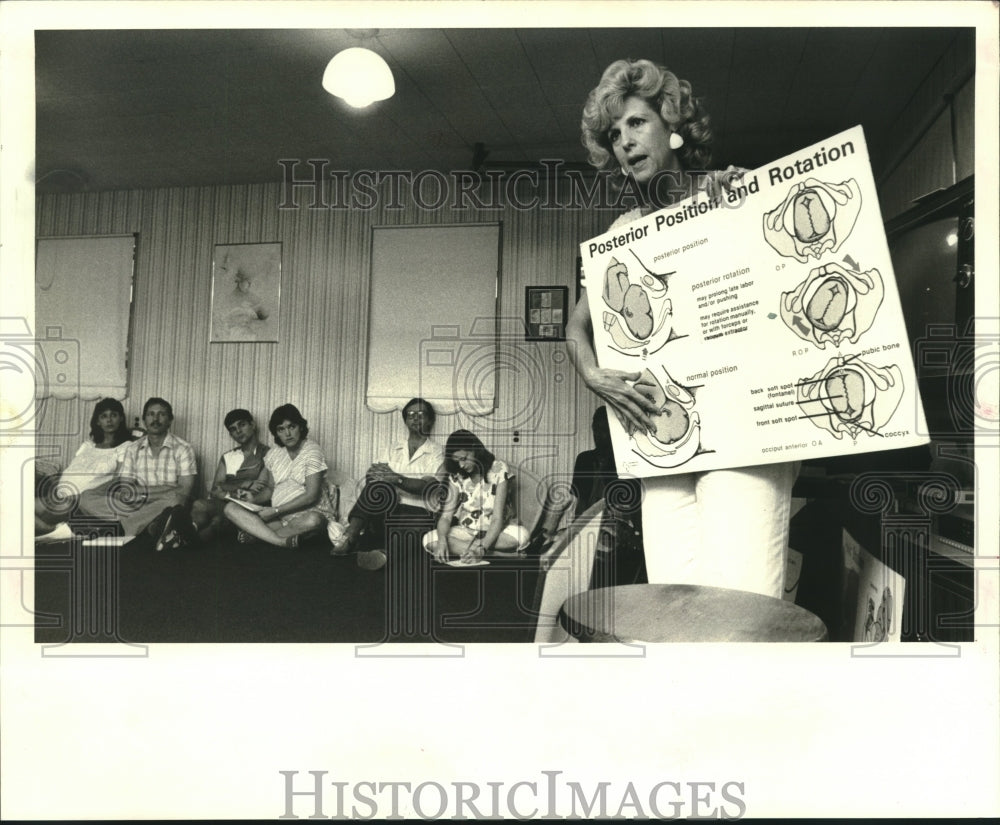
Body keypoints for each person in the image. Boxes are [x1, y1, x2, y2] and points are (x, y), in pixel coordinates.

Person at [563, 58, 799, 599]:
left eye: (636, 123)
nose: (624, 141)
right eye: (613, 133)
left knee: (743, 603)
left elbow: (784, 287)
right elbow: (577, 329)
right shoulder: (620, 235)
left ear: (672, 125)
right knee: (674, 599)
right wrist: (594, 374)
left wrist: (753, 203)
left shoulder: (729, 194)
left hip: (747, 434)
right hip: (661, 435)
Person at [334, 397, 446, 570]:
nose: (415, 418)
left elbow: (428, 487)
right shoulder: (392, 448)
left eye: (421, 414)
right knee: (376, 487)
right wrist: (388, 483)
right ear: (405, 420)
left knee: (414, 530)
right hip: (388, 510)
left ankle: (384, 555)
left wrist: (395, 479)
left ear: (430, 420)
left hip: (419, 512)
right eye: (411, 414)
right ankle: (350, 536)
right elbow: (372, 477)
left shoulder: (438, 452)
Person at [76, 396, 197, 544]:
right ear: (145, 420)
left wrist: (139, 491)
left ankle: (124, 526)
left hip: (165, 503)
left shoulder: (183, 449)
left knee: (177, 499)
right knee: (86, 497)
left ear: (170, 420)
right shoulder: (133, 449)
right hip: (135, 504)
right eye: (151, 414)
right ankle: (150, 525)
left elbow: (184, 491)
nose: (155, 419)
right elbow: (126, 489)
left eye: (162, 414)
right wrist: (163, 489)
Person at [222, 403, 334, 548]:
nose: (287, 434)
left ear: (300, 426)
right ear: (276, 433)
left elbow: (311, 496)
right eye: (281, 429)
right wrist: (251, 499)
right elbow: (269, 490)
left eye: (291, 427)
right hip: (280, 519)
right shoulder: (274, 453)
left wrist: (275, 511)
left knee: (314, 521)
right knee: (230, 508)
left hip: (307, 515)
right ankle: (281, 540)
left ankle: (260, 535)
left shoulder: (312, 451)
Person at [156, 408, 270, 549]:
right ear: (231, 434)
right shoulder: (228, 456)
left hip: (249, 506)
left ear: (253, 425)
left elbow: (259, 488)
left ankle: (179, 536)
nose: (238, 431)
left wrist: (227, 488)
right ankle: (184, 534)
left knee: (215, 520)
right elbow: (216, 488)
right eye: (233, 429)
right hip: (225, 501)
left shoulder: (268, 454)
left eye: (242, 425)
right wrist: (244, 483)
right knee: (201, 506)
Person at [35, 398, 136, 540]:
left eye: (113, 415)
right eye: (104, 416)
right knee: (17, 505)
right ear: (97, 421)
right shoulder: (88, 445)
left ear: (121, 418)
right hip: (58, 495)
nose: (109, 420)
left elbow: (119, 480)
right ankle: (52, 531)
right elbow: (72, 470)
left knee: (26, 517)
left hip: (80, 501)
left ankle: (49, 531)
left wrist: (84, 495)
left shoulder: (126, 447)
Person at [422, 429, 529, 563]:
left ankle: (479, 551)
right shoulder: (457, 476)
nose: (461, 465)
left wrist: (482, 547)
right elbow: (446, 517)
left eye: (464, 459)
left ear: (475, 450)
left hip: (498, 531)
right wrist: (443, 541)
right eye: (457, 461)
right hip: (467, 532)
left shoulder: (499, 469)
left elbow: (497, 518)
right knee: (430, 539)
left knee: (522, 535)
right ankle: (496, 554)